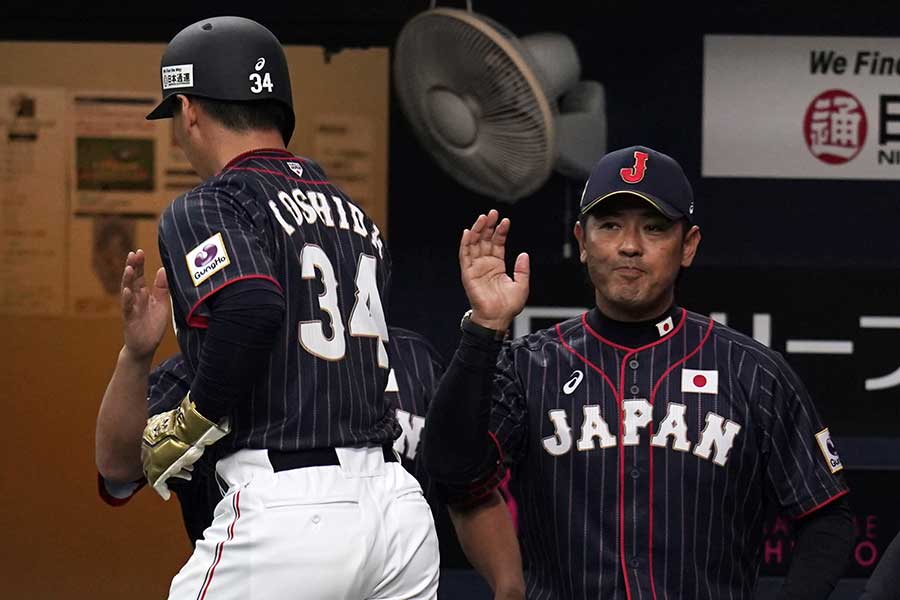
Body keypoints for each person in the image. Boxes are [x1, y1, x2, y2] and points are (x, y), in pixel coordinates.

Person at [422, 145, 856, 599]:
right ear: (583, 241)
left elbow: (826, 517)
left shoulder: (752, 371)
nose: (630, 245)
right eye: (610, 226)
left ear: (687, 246)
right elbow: (455, 472)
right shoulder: (530, 364)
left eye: (653, 228)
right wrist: (485, 329)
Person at [141, 15, 436, 599]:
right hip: (397, 509)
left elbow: (249, 306)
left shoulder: (208, 204)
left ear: (191, 109)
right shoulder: (357, 219)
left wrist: (189, 422)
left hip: (292, 507)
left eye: (175, 113)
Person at [95, 250, 525, 598]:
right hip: (263, 572)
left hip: (391, 569)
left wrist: (509, 588)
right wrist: (135, 357)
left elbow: (465, 488)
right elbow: (118, 470)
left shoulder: (410, 355)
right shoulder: (212, 365)